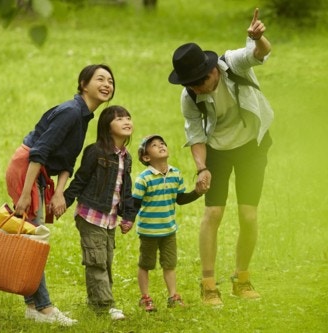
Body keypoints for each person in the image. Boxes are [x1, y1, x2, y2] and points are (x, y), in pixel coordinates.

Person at [168, 8, 274, 306]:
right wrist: (201, 169)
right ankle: (208, 284)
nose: (198, 88)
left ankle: (242, 279)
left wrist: (259, 38)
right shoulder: (189, 95)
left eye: (200, 81)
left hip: (252, 144)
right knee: (212, 213)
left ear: (213, 69)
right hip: (217, 150)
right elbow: (196, 135)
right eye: (191, 84)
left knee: (248, 215)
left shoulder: (233, 64)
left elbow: (260, 54)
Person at [5, 64, 115, 325]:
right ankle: (44, 308)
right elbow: (38, 151)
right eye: (100, 79)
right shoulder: (70, 112)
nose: (107, 84)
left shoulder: (84, 115)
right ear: (83, 84)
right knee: (35, 241)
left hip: (40, 173)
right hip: (28, 169)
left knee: (32, 238)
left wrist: (60, 194)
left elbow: (69, 159)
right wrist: (24, 195)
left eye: (110, 80)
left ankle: (33, 306)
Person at [63, 105, 137, 321]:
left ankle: (96, 303)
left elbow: (126, 190)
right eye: (119, 118)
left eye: (128, 117)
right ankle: (107, 305)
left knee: (104, 261)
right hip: (91, 215)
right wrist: (63, 201)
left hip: (110, 219)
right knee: (96, 260)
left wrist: (129, 216)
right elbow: (81, 179)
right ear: (107, 126)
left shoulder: (126, 157)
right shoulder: (96, 151)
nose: (126, 121)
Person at [126, 134, 204, 312]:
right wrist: (128, 221)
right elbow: (134, 204)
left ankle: (173, 296)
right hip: (148, 232)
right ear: (146, 157)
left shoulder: (175, 174)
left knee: (169, 264)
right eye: (154, 145)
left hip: (169, 230)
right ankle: (145, 297)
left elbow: (181, 199)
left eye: (162, 143)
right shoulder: (143, 179)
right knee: (145, 264)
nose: (161, 146)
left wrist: (197, 192)